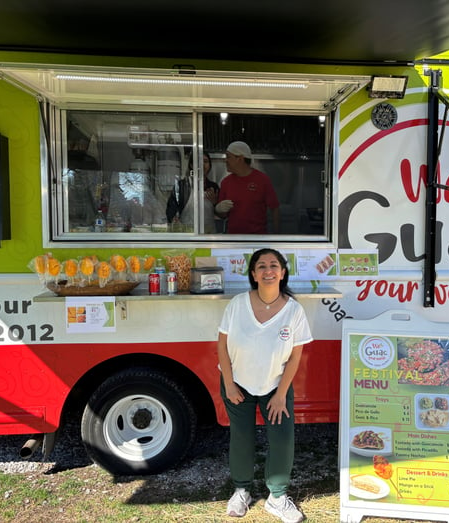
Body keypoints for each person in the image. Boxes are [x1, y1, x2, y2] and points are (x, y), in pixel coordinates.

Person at [217, 248, 312, 522]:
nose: (268, 270)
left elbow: (296, 356)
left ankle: (278, 497)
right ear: (253, 274)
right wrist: (230, 384)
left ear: (283, 273)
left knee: (282, 440)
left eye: (274, 265)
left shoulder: (294, 310)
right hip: (238, 385)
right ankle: (241, 491)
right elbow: (222, 345)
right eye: (261, 266)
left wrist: (281, 394)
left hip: (275, 387)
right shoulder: (237, 304)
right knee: (242, 437)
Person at [215, 141, 280, 234]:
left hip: (257, 238)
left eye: (228, 157)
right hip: (233, 238)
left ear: (240, 159)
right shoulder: (226, 182)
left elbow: (275, 208)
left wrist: (276, 236)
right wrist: (219, 209)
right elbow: (223, 216)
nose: (225, 160)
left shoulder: (262, 180)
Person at [166, 151, 220, 233]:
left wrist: (215, 204)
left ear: (209, 165)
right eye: (198, 162)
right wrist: (173, 219)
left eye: (205, 161)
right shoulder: (182, 186)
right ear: (191, 165)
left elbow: (221, 214)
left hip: (208, 235)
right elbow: (171, 208)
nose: (202, 165)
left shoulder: (213, 187)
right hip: (187, 235)